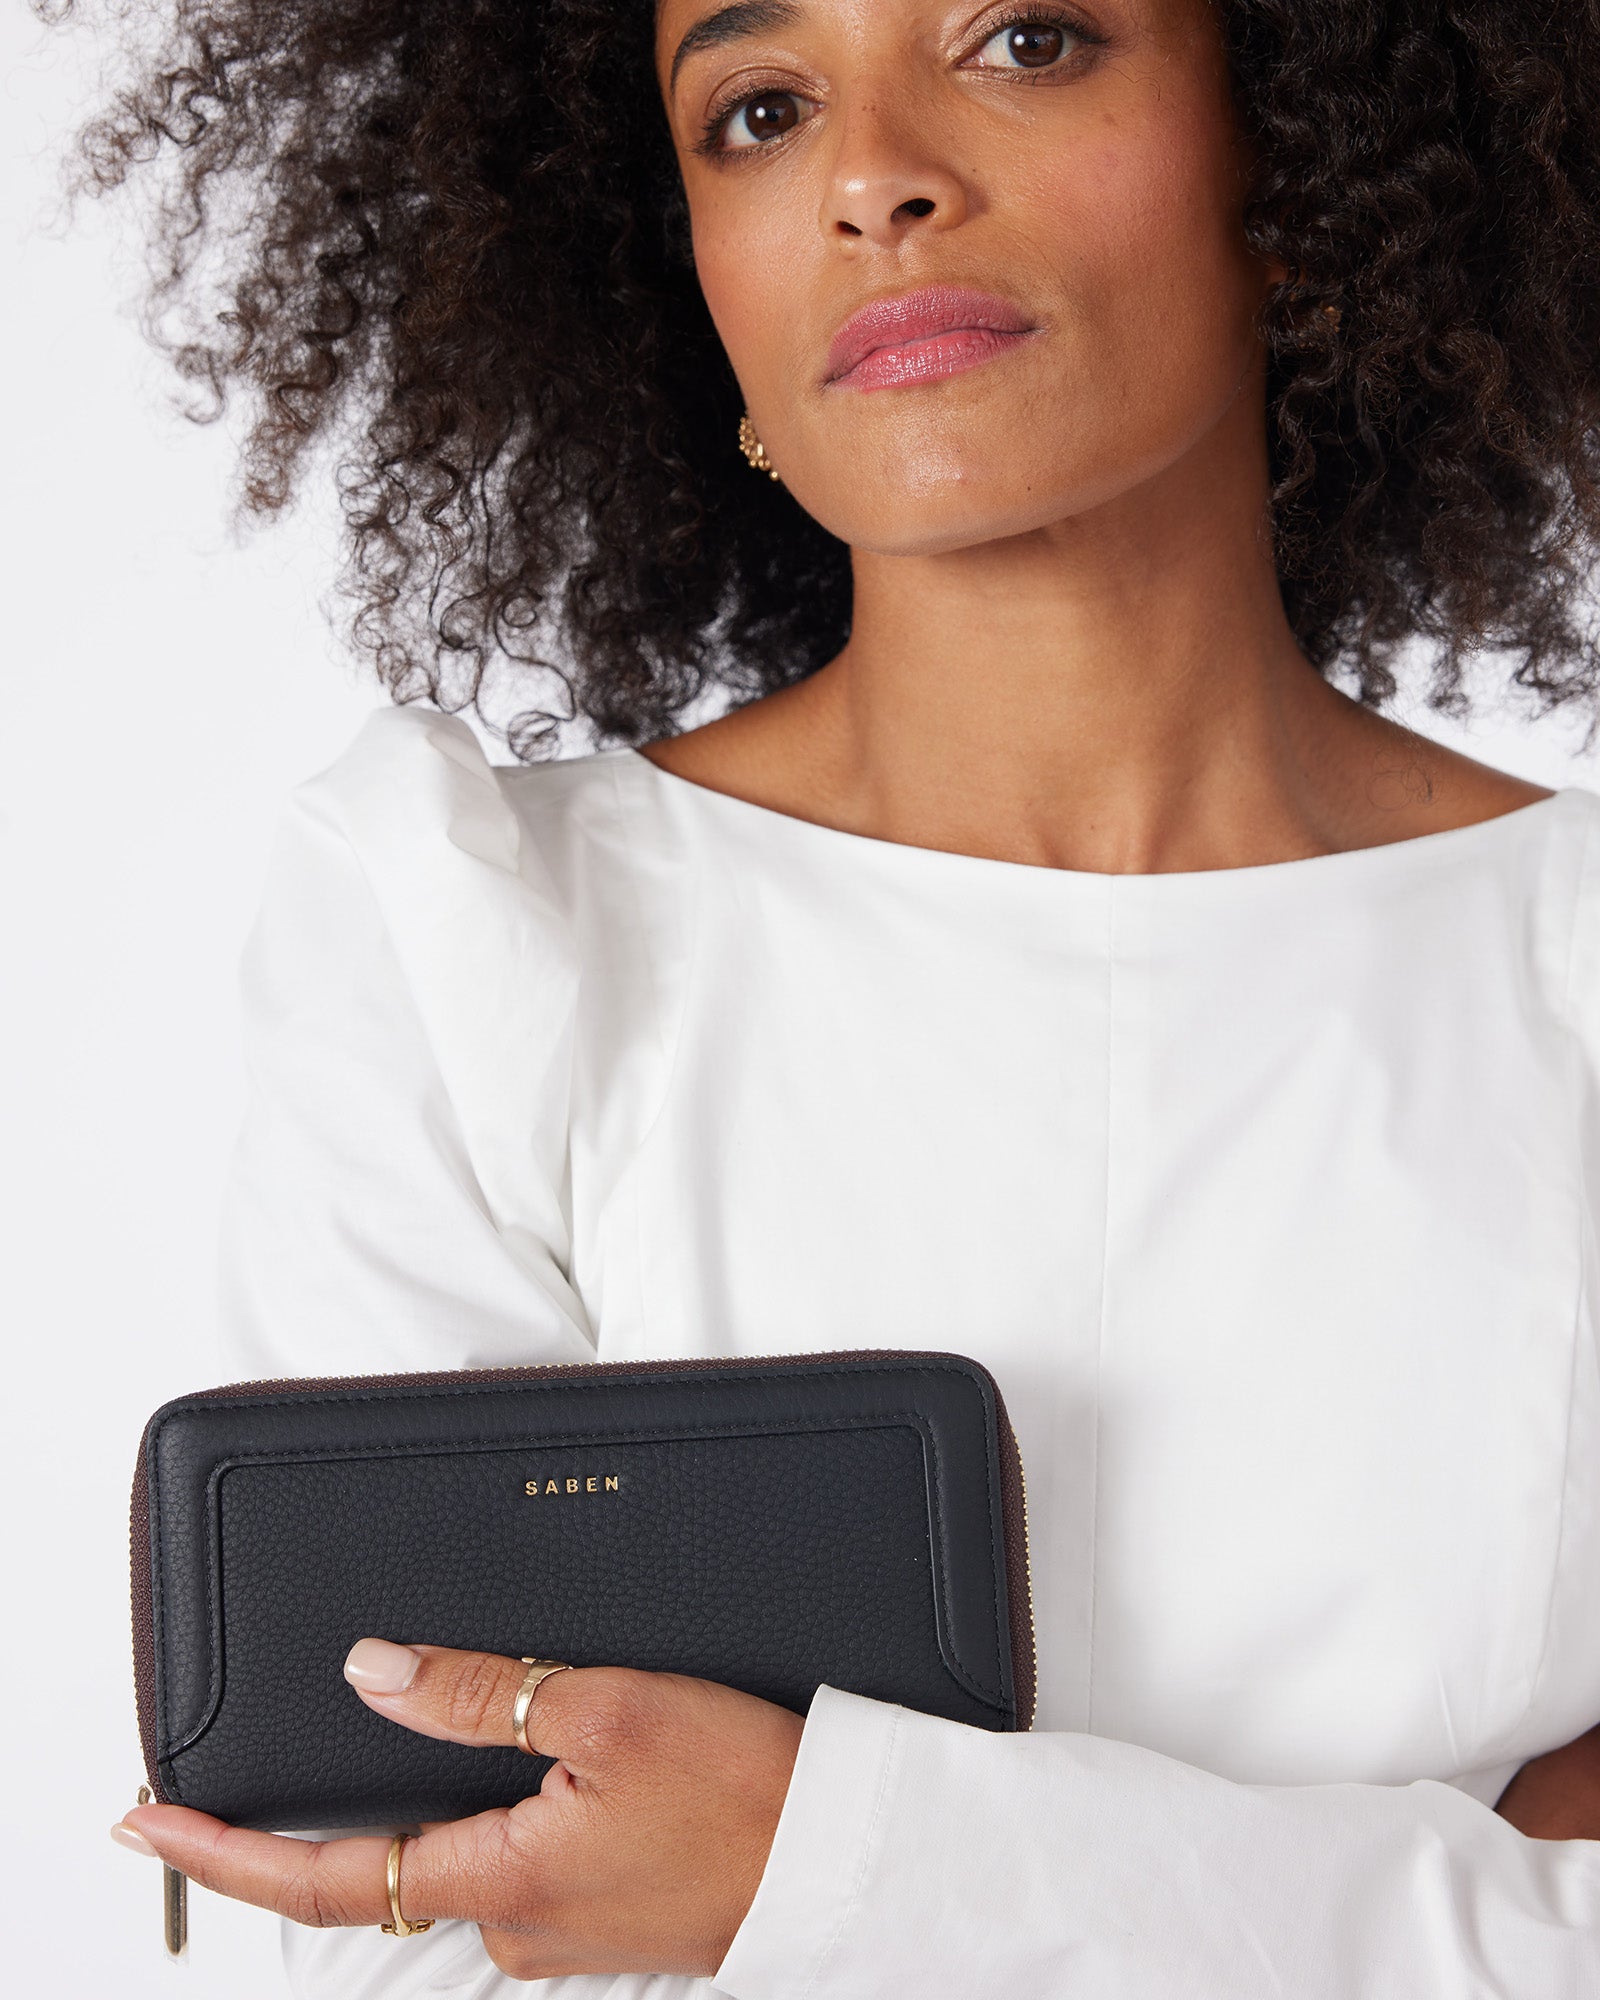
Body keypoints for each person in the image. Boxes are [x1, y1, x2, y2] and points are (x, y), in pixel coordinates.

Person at [80, 0, 1600, 1990]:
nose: (871, 174)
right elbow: (421, 1941)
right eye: (758, 109)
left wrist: (798, 1859)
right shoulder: (474, 927)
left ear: (1294, 169)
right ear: (682, 281)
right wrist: (1417, 1885)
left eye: (1027, 38)